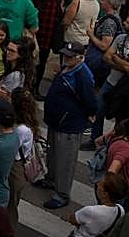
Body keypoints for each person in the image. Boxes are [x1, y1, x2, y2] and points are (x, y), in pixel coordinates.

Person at [42, 41, 99, 209]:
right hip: (56, 121)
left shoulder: (83, 76)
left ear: (80, 57)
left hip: (69, 124)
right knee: (53, 154)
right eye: (65, 54)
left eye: (69, 56)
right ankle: (51, 180)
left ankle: (62, 194)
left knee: (65, 160)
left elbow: (91, 102)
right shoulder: (66, 68)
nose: (65, 58)